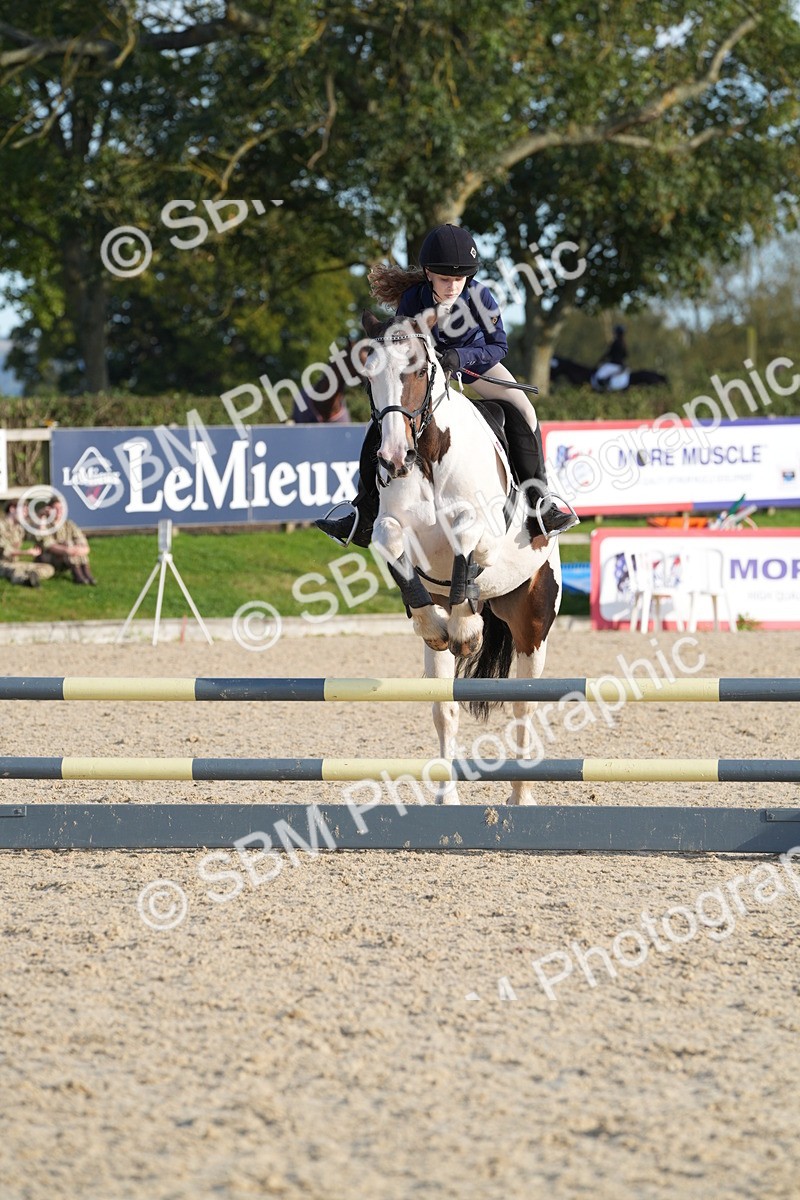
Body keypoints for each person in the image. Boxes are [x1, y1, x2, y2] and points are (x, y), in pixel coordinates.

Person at [315, 223, 579, 546]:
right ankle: (364, 512)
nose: (453, 286)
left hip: (476, 369)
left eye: (459, 279)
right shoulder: (413, 300)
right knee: (381, 424)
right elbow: (401, 348)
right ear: (428, 274)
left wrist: (463, 356)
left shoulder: (480, 296)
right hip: (427, 378)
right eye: (445, 279)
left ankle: (541, 503)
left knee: (524, 408)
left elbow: (499, 346)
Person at [35, 496, 97, 585]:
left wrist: (79, 549)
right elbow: (48, 544)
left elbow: (81, 540)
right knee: (69, 547)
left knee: (75, 547)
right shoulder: (45, 525)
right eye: (56, 508)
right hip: (49, 557)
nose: (59, 511)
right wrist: (67, 550)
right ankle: (78, 575)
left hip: (66, 556)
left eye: (61, 508)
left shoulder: (68, 524)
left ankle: (86, 574)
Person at [0, 501, 56, 588]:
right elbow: (5, 550)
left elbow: (37, 535)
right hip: (2, 563)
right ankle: (26, 580)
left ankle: (32, 576)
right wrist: (26, 552)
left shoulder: (19, 528)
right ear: (12, 509)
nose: (25, 515)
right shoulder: (1, 526)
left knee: (49, 568)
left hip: (15, 562)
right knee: (15, 570)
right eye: (23, 511)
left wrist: (41, 517)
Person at [591, 323, 630, 392]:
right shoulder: (624, 343)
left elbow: (608, 353)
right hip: (621, 365)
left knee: (599, 375)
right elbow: (626, 355)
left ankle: (604, 388)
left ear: (616, 333)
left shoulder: (616, 342)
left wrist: (600, 360)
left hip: (613, 364)